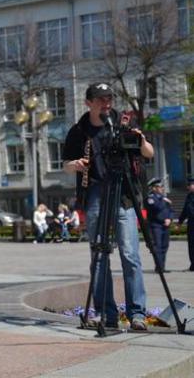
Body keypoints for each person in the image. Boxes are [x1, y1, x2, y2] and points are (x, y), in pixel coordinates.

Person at [63, 82, 153, 331]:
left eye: (109, 98)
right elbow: (66, 164)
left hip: (123, 194)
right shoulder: (79, 131)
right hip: (95, 193)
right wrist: (75, 165)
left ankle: (137, 314)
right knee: (99, 254)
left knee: (130, 254)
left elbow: (149, 152)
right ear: (88, 103)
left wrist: (141, 140)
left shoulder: (123, 124)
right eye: (100, 99)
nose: (106, 103)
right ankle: (106, 313)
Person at [177, 177, 194, 272]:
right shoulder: (189, 196)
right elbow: (185, 210)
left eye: (190, 185)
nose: (188, 187)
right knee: (191, 246)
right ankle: (193, 265)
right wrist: (180, 222)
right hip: (191, 224)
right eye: (188, 185)